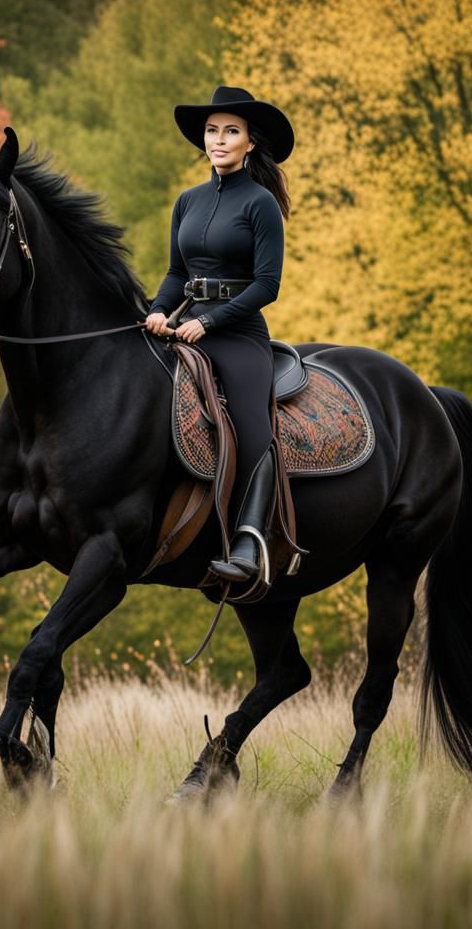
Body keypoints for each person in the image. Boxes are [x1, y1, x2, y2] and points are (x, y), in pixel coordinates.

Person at [144, 85, 293, 584]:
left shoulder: (261, 205)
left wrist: (208, 321)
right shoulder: (187, 202)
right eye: (212, 131)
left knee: (253, 423)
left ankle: (252, 539)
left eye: (231, 131)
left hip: (239, 334)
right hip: (184, 325)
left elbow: (267, 285)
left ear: (250, 142)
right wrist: (160, 309)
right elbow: (174, 271)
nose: (219, 140)